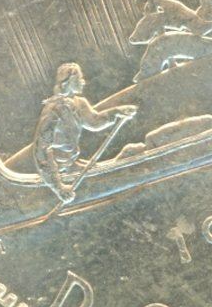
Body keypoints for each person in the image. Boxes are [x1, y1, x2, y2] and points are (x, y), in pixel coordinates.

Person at [32, 63, 136, 203]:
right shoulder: (53, 109)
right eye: (79, 78)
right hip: (59, 171)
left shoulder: (79, 103)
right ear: (69, 81)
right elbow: (42, 149)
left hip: (73, 164)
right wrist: (58, 187)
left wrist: (116, 112)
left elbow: (94, 121)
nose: (83, 82)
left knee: (124, 157)